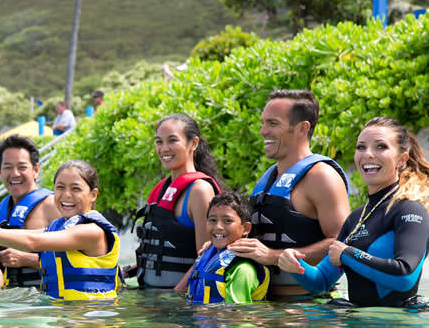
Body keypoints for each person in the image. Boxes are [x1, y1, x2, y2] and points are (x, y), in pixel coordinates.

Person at [278, 117, 429, 307]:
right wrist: (295, 266)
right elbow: (322, 281)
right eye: (361, 147)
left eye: (380, 147)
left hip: (398, 327)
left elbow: (405, 276)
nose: (368, 154)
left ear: (401, 160)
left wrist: (348, 254)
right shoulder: (356, 218)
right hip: (361, 326)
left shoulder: (410, 210)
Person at [0, 160, 122, 301]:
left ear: (93, 194)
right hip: (64, 316)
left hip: (92, 321)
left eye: (76, 189)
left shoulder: (92, 232)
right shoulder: (58, 227)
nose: (66, 195)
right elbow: (24, 236)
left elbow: (31, 242)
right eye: (60, 187)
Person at [228, 89, 350, 298]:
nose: (262, 131)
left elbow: (343, 242)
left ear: (302, 128)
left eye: (273, 124)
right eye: (263, 122)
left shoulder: (321, 176)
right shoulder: (268, 178)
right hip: (269, 306)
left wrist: (274, 256)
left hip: (310, 308)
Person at [126, 113, 224, 289]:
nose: (164, 148)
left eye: (172, 140)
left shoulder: (199, 190)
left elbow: (206, 256)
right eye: (159, 142)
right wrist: (129, 270)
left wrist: (175, 297)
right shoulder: (162, 189)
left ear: (193, 143)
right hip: (152, 298)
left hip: (180, 306)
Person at [176, 191, 270, 304]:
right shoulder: (207, 254)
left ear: (245, 228)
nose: (218, 227)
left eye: (227, 221)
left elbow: (236, 316)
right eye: (212, 220)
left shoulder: (243, 270)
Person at [0, 135, 60, 288]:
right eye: (8, 167)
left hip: (47, 303)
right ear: (0, 172)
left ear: (36, 170)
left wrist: (26, 259)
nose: (15, 173)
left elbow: (78, 258)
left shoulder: (52, 206)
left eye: (22, 167)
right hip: (11, 301)